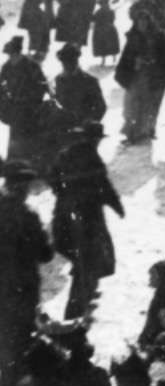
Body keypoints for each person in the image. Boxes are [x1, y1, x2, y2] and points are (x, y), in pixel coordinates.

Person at [49, 119, 125, 318]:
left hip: (64, 215)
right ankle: (76, 310)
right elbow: (104, 186)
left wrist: (64, 197)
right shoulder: (92, 158)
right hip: (88, 218)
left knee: (77, 253)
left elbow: (53, 179)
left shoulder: (64, 154)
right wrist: (117, 206)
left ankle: (83, 290)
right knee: (92, 258)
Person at [0, 160, 54, 386]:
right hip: (21, 294)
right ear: (22, 188)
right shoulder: (28, 217)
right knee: (15, 348)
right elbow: (46, 254)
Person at [115, 8, 165, 145]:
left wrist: (154, 64)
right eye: (140, 22)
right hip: (136, 76)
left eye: (145, 21)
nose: (142, 24)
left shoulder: (158, 37)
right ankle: (132, 132)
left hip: (152, 76)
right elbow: (126, 57)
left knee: (149, 105)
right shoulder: (132, 38)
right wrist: (134, 62)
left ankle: (145, 131)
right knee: (131, 105)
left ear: (149, 22)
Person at [0, 34, 53, 164]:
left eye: (13, 54)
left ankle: (33, 162)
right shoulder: (6, 67)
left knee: (31, 134)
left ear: (18, 52)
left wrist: (34, 100)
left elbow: (43, 85)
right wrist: (5, 102)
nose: (11, 57)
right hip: (15, 108)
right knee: (16, 135)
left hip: (31, 107)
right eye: (10, 55)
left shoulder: (31, 65)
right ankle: (16, 163)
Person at [51, 42, 106, 129]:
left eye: (71, 62)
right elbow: (58, 102)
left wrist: (91, 120)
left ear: (76, 61)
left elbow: (101, 106)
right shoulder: (59, 80)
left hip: (85, 127)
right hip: (64, 126)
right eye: (65, 63)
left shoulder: (89, 81)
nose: (68, 66)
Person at [91, 0, 121, 65]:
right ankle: (113, 58)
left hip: (101, 30)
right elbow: (112, 19)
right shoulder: (111, 11)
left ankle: (104, 60)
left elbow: (94, 19)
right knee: (110, 44)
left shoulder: (99, 12)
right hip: (110, 29)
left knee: (102, 45)